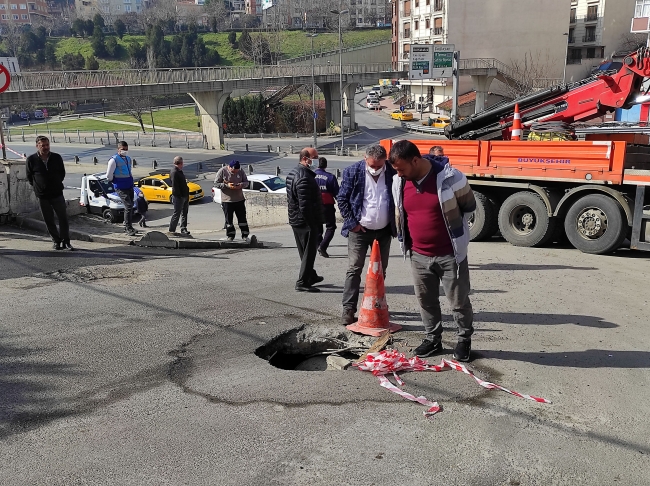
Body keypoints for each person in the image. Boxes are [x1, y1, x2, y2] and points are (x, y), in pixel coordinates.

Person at [388, 140, 477, 362]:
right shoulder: (398, 182)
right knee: (426, 300)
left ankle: (464, 340)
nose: (398, 174)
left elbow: (469, 206)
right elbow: (402, 213)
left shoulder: (451, 178)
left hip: (450, 254)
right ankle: (433, 339)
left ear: (415, 160)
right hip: (418, 255)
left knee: (458, 302)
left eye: (401, 169)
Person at [337, 144, 396, 325]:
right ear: (365, 159)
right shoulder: (353, 172)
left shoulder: (393, 173)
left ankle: (376, 305)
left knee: (380, 271)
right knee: (354, 269)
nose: (375, 169)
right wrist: (352, 223)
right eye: (372, 165)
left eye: (379, 166)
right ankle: (349, 309)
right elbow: (342, 199)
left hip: (384, 231)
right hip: (359, 230)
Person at [286, 148, 325, 292]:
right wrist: (313, 223)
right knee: (309, 253)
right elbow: (305, 205)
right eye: (314, 157)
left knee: (304, 251)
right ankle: (302, 282)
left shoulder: (294, 173)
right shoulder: (304, 177)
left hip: (296, 219)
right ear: (305, 159)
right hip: (306, 221)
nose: (317, 160)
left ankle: (311, 275)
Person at [26, 136, 73, 250]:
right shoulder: (31, 160)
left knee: (63, 218)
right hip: (43, 196)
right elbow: (30, 177)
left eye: (47, 145)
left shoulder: (56, 157)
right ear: (37, 146)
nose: (46, 147)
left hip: (57, 193)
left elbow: (62, 173)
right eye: (43, 145)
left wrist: (55, 183)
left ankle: (66, 241)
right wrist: (40, 187)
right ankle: (56, 241)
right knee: (49, 220)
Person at [214, 160, 250, 241]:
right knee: (229, 220)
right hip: (227, 201)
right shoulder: (222, 171)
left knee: (242, 219)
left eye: (236, 171)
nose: (235, 173)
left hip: (239, 199)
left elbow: (246, 182)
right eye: (233, 171)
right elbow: (216, 184)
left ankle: (245, 235)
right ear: (229, 167)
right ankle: (230, 236)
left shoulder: (240, 171)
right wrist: (227, 186)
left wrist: (241, 185)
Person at [106, 141, 136, 237]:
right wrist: (114, 181)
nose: (125, 151)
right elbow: (109, 175)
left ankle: (128, 224)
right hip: (121, 187)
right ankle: (128, 227)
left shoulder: (128, 158)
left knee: (130, 206)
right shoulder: (113, 160)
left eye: (126, 149)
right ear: (118, 149)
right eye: (123, 149)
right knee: (128, 206)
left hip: (129, 185)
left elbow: (129, 171)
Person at [314, 156, 340, 258]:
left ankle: (319, 245)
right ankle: (323, 246)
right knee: (331, 227)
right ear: (326, 165)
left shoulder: (311, 176)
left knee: (317, 227)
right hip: (327, 206)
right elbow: (337, 194)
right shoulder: (330, 177)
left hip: (314, 206)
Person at [168, 156, 191, 237]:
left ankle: (183, 228)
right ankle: (171, 230)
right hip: (179, 197)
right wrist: (180, 195)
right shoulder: (174, 172)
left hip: (184, 195)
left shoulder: (179, 171)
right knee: (177, 213)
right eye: (182, 163)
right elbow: (175, 186)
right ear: (180, 163)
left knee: (184, 213)